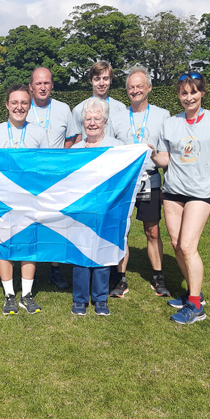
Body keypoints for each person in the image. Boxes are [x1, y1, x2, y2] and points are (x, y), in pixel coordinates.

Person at [148, 72, 210, 324]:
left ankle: (196, 307)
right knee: (176, 244)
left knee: (188, 246)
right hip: (173, 191)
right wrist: (153, 154)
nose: (189, 98)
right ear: (178, 95)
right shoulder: (170, 123)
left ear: (202, 93)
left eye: (193, 92)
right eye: (183, 93)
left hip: (200, 193)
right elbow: (166, 161)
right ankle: (192, 293)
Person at [0, 84, 49, 315]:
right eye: (14, 103)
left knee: (29, 245)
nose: (19, 107)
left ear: (29, 105)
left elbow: (47, 167)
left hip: (30, 199)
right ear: (7, 105)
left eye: (24, 103)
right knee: (4, 246)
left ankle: (26, 295)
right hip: (2, 200)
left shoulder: (39, 132)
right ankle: (10, 295)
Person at [110, 66, 172, 299]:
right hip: (125, 182)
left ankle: (158, 277)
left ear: (149, 88)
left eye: (139, 86)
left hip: (150, 179)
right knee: (120, 231)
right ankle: (119, 279)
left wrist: (154, 154)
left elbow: (166, 158)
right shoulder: (117, 118)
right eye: (131, 87)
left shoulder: (162, 115)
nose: (135, 90)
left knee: (152, 231)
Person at [27, 67, 81, 291]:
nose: (42, 87)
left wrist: (59, 158)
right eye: (38, 83)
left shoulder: (63, 109)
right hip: (30, 177)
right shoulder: (22, 107)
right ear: (31, 86)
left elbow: (73, 137)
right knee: (31, 221)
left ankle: (55, 269)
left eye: (46, 83)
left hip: (57, 177)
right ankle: (29, 265)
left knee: (58, 222)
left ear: (52, 85)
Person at [69, 98, 124, 316]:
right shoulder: (75, 149)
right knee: (80, 252)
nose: (92, 123)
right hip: (81, 209)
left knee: (102, 251)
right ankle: (80, 299)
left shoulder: (118, 148)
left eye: (97, 118)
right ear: (82, 121)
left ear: (105, 121)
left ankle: (101, 298)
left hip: (106, 209)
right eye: (88, 118)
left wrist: (142, 151)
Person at [71, 61, 126, 143]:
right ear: (90, 81)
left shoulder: (121, 108)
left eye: (105, 78)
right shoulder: (78, 110)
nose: (101, 83)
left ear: (110, 80)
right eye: (97, 79)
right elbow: (77, 143)